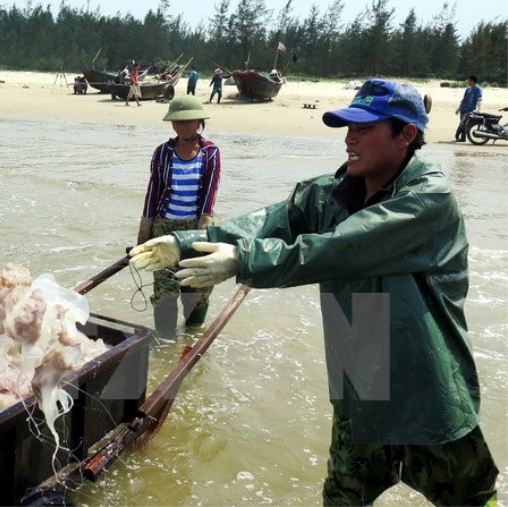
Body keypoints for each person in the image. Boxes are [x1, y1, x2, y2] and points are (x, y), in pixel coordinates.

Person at [130, 78, 498, 504]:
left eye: (363, 128)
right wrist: (187, 241)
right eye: (346, 127)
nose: (349, 139)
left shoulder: (427, 200)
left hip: (426, 390)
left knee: (472, 499)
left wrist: (242, 260)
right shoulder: (331, 193)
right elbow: (273, 219)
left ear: (406, 134)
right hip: (361, 385)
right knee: (342, 497)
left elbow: (341, 247)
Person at [135, 95, 221, 338]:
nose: (183, 127)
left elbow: (209, 196)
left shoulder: (210, 153)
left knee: (197, 288)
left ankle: (191, 342)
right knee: (165, 291)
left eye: (188, 122)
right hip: (164, 228)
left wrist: (203, 231)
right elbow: (153, 192)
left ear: (199, 122)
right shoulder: (162, 152)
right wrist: (144, 233)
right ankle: (165, 344)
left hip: (195, 229)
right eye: (177, 122)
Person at [454, 74, 483, 142]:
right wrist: (458, 108)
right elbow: (464, 99)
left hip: (471, 109)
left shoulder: (478, 89)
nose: (467, 81)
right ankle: (463, 138)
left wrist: (478, 109)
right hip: (463, 109)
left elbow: (479, 99)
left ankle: (457, 135)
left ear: (472, 81)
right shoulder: (468, 89)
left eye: (468, 80)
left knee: (463, 123)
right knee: (462, 123)